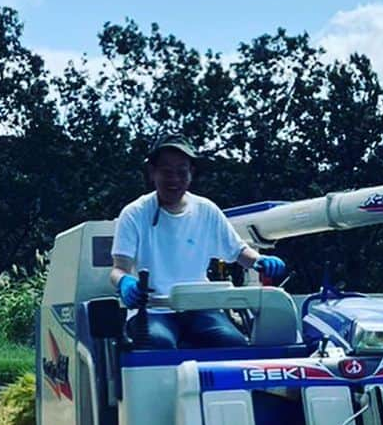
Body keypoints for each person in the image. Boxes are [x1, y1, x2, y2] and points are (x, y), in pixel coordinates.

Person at [109, 133, 286, 349]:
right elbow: (118, 270)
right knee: (157, 344)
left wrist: (260, 260)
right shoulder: (134, 213)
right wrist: (126, 284)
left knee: (233, 344)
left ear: (191, 173)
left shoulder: (206, 210)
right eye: (166, 172)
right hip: (154, 309)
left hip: (201, 307)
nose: (174, 179)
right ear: (152, 172)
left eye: (181, 172)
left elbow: (238, 251)